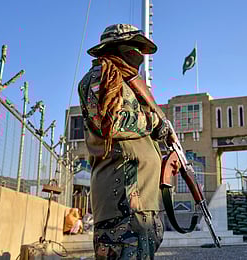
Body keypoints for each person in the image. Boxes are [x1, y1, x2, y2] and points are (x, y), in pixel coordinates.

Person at [78, 24, 175, 259]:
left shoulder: (129, 84)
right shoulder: (101, 76)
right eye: (134, 47)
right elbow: (110, 121)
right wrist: (155, 122)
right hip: (121, 197)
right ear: (116, 48)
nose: (139, 54)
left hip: (142, 200)